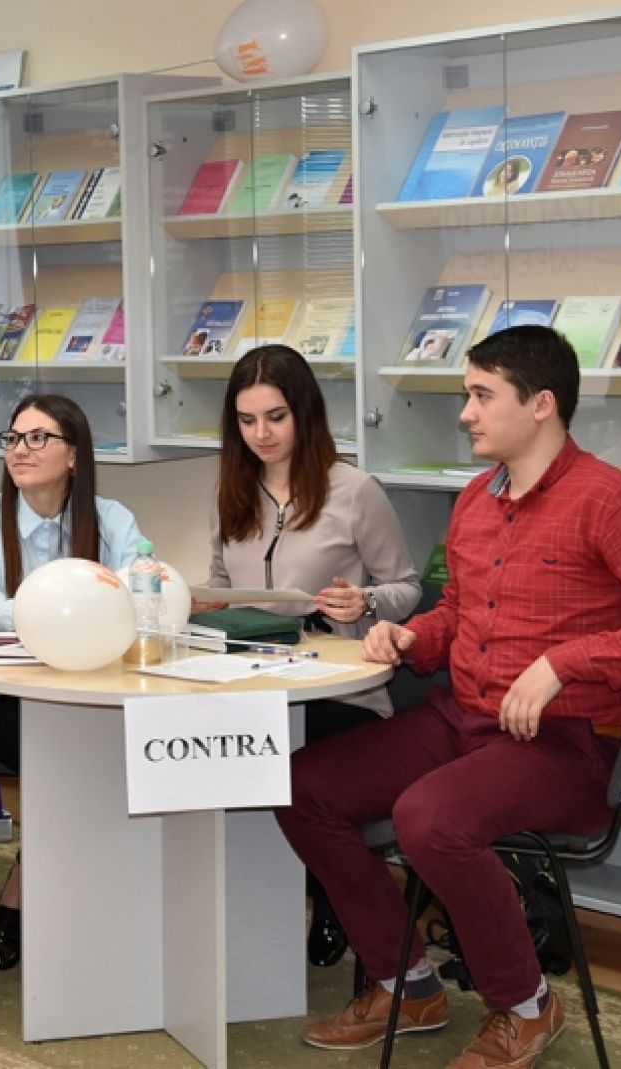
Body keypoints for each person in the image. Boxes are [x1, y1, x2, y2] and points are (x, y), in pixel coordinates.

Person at [274, 325, 621, 1068]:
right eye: (467, 395)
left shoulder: (613, 501)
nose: (466, 413)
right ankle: (406, 983)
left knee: (430, 817)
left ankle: (525, 1004)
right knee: (300, 787)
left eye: (482, 396)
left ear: (541, 404)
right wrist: (411, 636)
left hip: (569, 744)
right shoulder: (476, 502)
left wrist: (564, 663)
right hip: (463, 720)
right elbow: (458, 615)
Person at [196, 344, 421, 969]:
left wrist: (365, 601)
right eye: (246, 421)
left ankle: (331, 894)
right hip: (248, 674)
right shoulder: (231, 489)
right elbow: (221, 581)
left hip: (339, 689)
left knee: (297, 763)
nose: (261, 434)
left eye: (276, 417)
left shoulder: (355, 490)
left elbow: (406, 586)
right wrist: (198, 600)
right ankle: (240, 914)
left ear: (305, 413)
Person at [0, 393, 143, 970]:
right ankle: (34, 891)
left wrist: (59, 610)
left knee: (123, 749)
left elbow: (137, 598)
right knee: (83, 758)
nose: (20, 450)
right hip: (6, 699)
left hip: (95, 692)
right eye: (13, 438)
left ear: (74, 455)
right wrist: (75, 604)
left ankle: (46, 881)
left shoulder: (113, 520)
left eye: (38, 438)